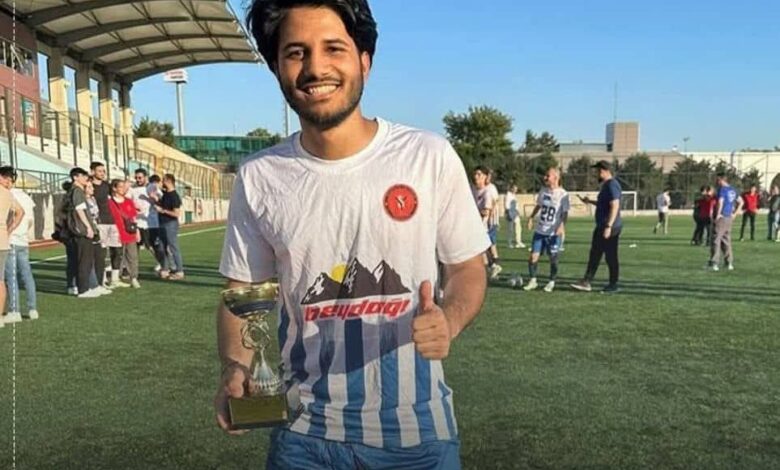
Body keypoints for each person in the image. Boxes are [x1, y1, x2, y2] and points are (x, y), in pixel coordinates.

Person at [216, 1, 489, 468]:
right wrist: (236, 366)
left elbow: (467, 268)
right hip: (302, 437)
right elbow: (242, 291)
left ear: (365, 60)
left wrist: (451, 319)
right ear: (277, 67)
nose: (315, 68)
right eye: (296, 52)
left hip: (418, 438)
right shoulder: (260, 175)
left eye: (333, 48)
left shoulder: (428, 156)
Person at [571, 160, 622, 294]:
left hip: (609, 227)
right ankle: (586, 281)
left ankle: (613, 284)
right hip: (602, 226)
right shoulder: (606, 185)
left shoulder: (612, 185)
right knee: (595, 254)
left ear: (604, 171)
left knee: (610, 256)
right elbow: (603, 204)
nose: (596, 174)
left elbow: (615, 205)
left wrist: (608, 226)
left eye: (598, 171)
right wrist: (589, 201)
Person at [1, 167, 38, 321]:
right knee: (27, 275)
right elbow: (29, 220)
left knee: (10, 277)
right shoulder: (25, 196)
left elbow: (17, 214)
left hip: (10, 239)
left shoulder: (8, 194)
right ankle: (32, 308)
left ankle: (14, 311)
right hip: (23, 240)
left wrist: (9, 231)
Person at [524, 168, 569, 293]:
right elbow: (539, 205)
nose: (545, 177)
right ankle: (533, 280)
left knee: (553, 258)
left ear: (556, 178)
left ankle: (551, 281)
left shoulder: (563, 194)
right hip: (540, 231)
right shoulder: (543, 191)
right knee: (533, 257)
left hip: (553, 233)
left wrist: (561, 226)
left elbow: (565, 213)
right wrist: (531, 217)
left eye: (548, 175)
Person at [66, 167, 103, 298]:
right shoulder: (77, 191)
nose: (85, 178)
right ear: (75, 177)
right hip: (81, 229)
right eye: (82, 176)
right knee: (84, 260)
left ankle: (83, 286)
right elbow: (79, 210)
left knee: (83, 259)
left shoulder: (75, 191)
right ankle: (83, 289)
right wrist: (88, 227)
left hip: (80, 228)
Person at [90, 162, 126, 288]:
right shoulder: (89, 186)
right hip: (100, 223)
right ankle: (102, 279)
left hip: (113, 221)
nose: (102, 173)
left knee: (117, 250)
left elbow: (117, 198)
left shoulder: (107, 186)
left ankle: (115, 279)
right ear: (93, 172)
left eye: (103, 171)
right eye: (99, 171)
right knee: (101, 252)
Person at [0, 168, 25, 326]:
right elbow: (20, 212)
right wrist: (8, 229)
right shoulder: (8, 194)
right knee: (0, 280)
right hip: (3, 240)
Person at [108, 179, 141, 288]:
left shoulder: (128, 201)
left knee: (132, 256)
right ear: (114, 188)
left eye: (124, 187)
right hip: (116, 233)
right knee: (117, 256)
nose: (123, 189)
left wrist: (137, 231)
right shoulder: (110, 202)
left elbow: (133, 217)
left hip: (129, 232)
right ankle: (116, 277)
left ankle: (133, 277)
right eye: (121, 187)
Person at [129, 168, 165, 268]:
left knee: (152, 246)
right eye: (136, 178)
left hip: (151, 222)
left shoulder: (152, 187)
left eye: (140, 177)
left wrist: (155, 199)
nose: (138, 180)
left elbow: (162, 201)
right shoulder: (132, 189)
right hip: (137, 222)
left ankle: (163, 264)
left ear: (145, 177)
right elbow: (129, 202)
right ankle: (132, 267)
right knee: (134, 246)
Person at [708, 173, 742, 271]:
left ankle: (714, 263)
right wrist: (735, 214)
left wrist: (718, 214)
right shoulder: (733, 189)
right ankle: (729, 262)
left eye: (717, 180)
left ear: (721, 179)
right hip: (729, 217)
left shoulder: (722, 190)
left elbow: (720, 202)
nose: (716, 182)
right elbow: (741, 202)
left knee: (716, 239)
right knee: (726, 240)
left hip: (722, 217)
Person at [472, 166, 501, 278]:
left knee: (489, 245)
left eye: (479, 174)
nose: (476, 176)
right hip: (478, 224)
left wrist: (489, 219)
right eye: (475, 174)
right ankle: (491, 267)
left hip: (487, 223)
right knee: (483, 248)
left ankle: (494, 265)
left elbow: (488, 209)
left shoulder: (489, 190)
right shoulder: (473, 189)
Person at [156, 173, 184, 280]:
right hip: (162, 223)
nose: (162, 182)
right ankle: (165, 269)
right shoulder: (166, 194)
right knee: (161, 247)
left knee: (173, 247)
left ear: (169, 181)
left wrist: (163, 211)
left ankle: (179, 271)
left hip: (170, 224)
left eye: (163, 180)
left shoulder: (174, 196)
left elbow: (176, 213)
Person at [485, 170, 502, 277]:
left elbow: (495, 202)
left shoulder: (491, 188)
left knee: (490, 244)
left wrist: (490, 216)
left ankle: (495, 265)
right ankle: (493, 265)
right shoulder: (478, 188)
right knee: (487, 245)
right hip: (483, 221)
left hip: (491, 221)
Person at [504, 184, 525, 249]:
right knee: (510, 229)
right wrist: (508, 213)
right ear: (511, 188)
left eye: (516, 189)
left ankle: (518, 242)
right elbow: (507, 205)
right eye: (514, 189)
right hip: (510, 213)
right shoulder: (508, 195)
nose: (516, 190)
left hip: (515, 213)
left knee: (518, 228)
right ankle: (509, 243)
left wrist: (517, 212)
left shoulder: (514, 195)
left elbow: (516, 205)